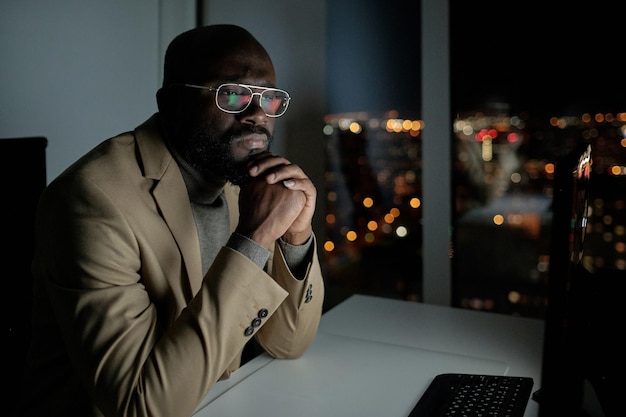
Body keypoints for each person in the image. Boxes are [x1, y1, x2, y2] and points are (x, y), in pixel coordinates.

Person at [15, 24, 325, 417]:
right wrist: (256, 236)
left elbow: (289, 343)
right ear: (171, 102)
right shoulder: (91, 201)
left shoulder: (239, 180)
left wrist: (296, 240)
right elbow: (140, 407)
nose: (257, 116)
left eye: (271, 100)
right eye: (232, 94)